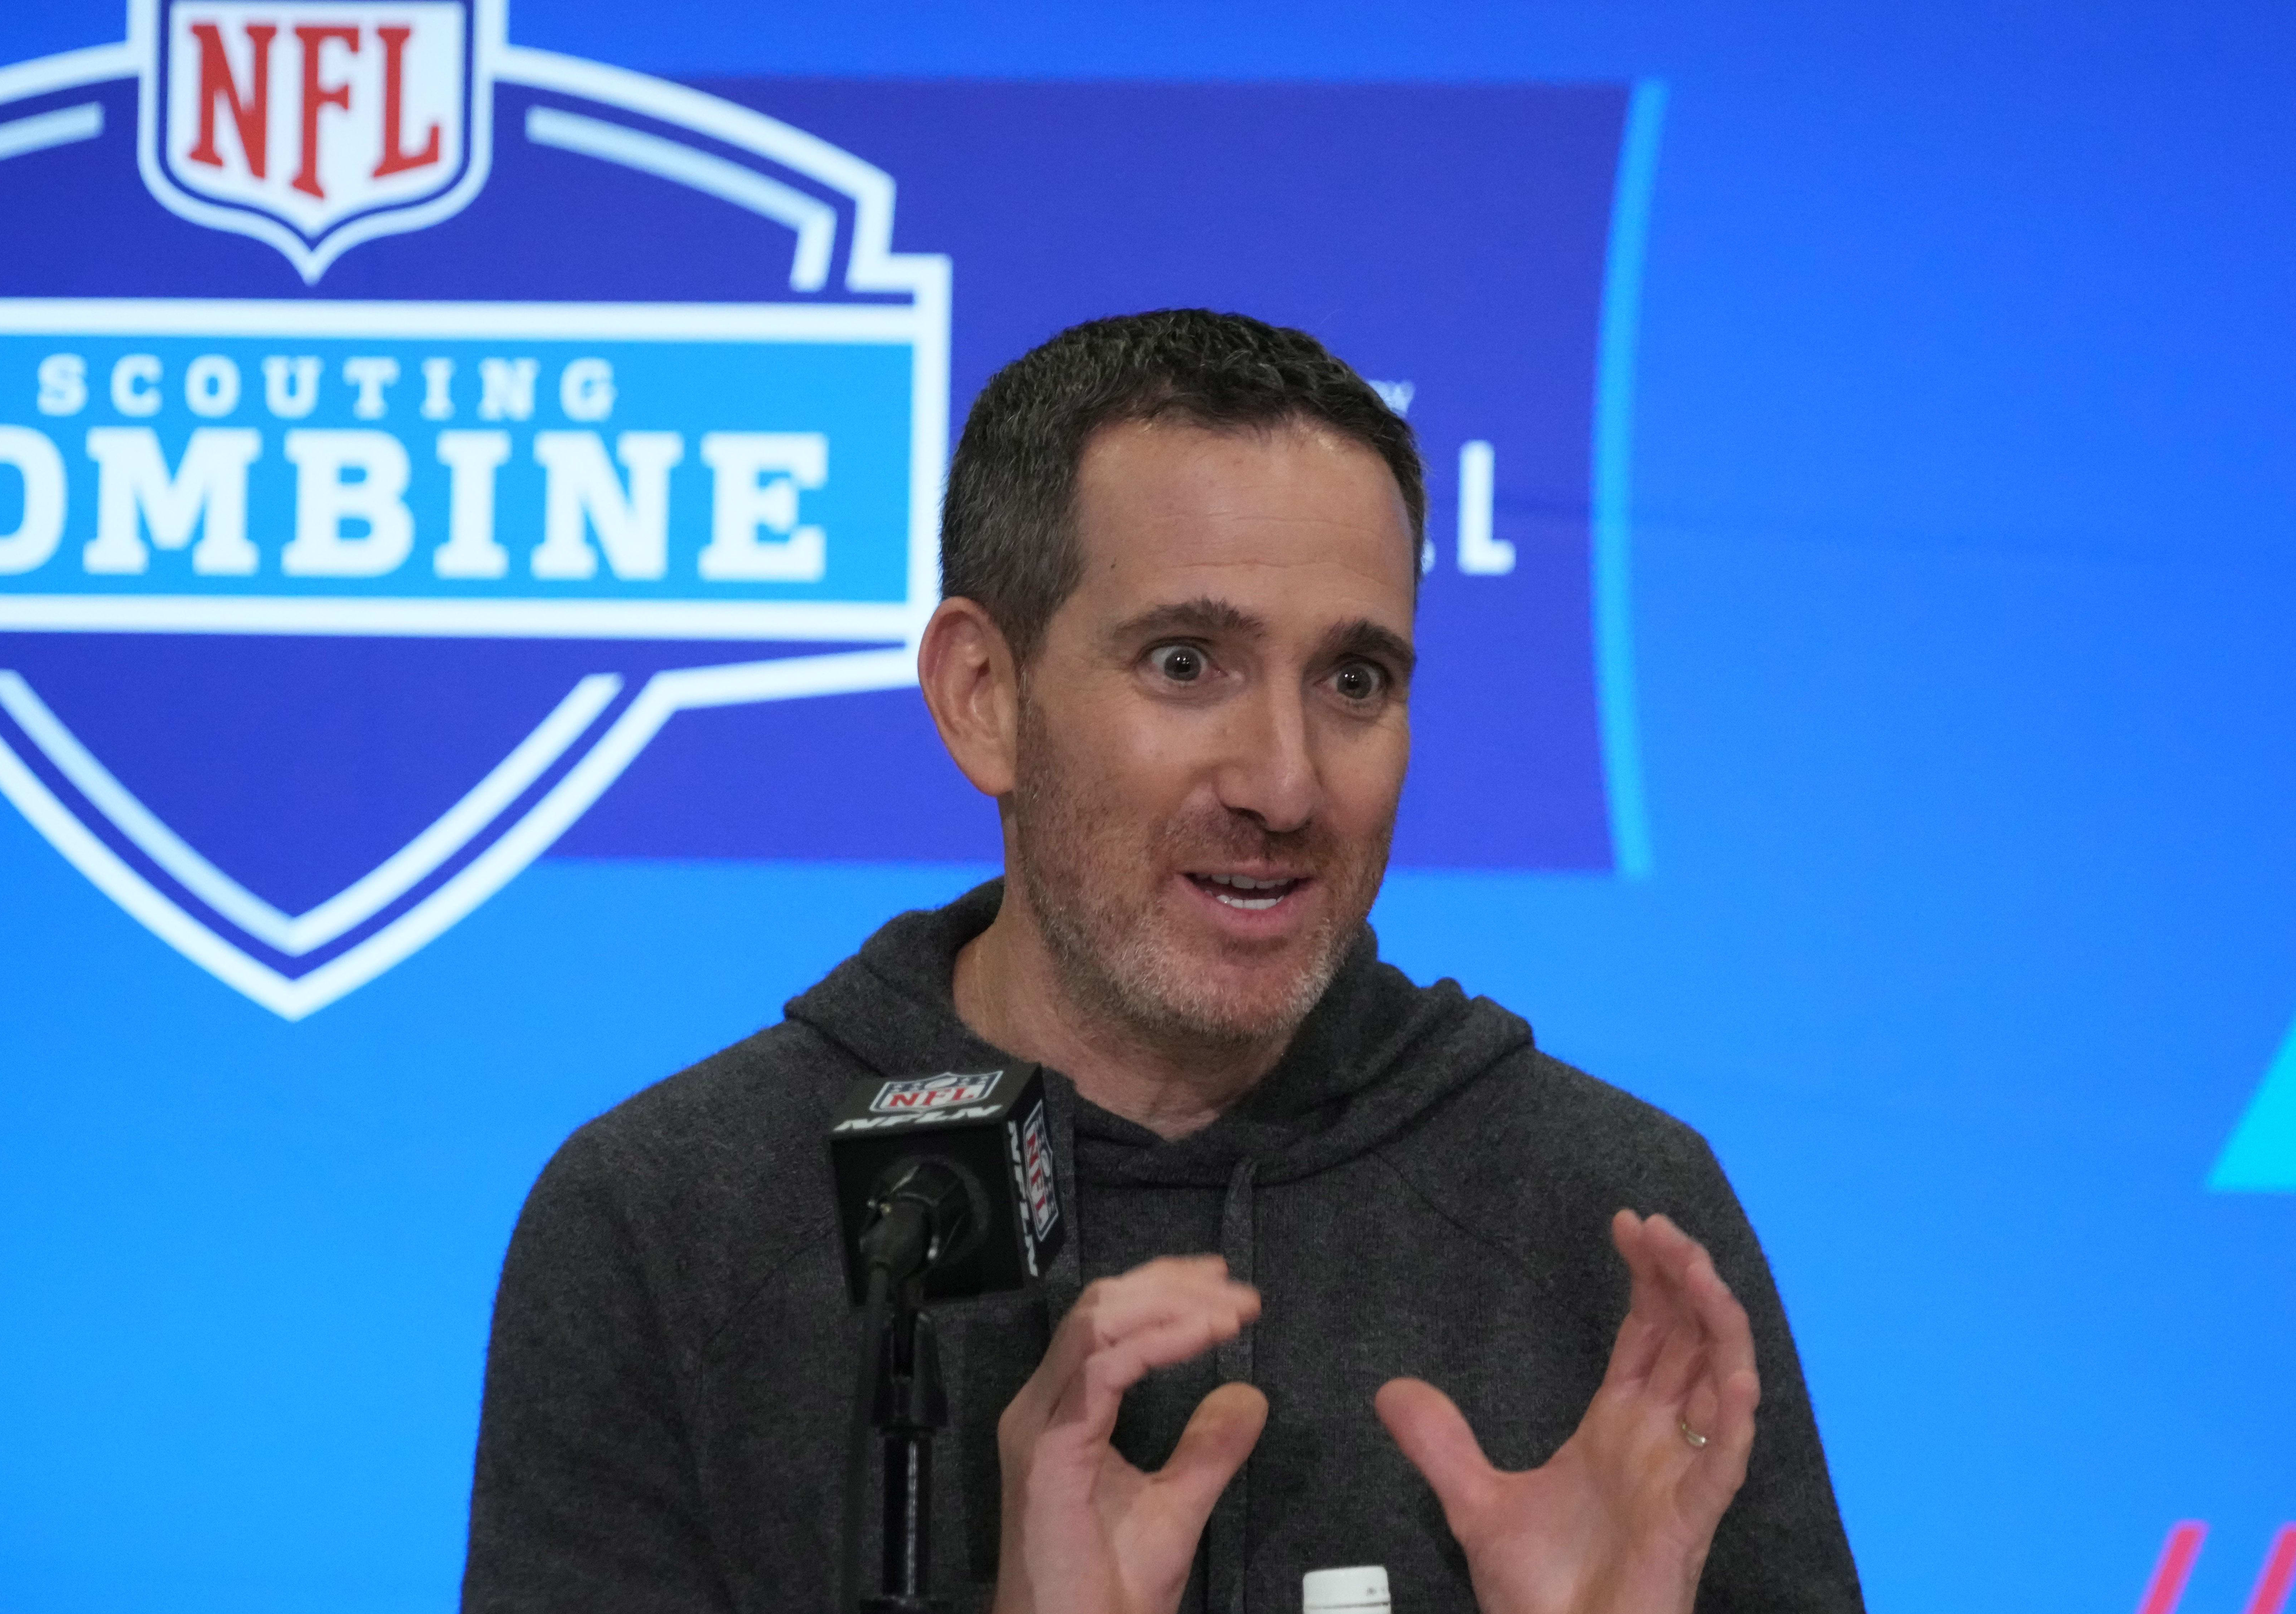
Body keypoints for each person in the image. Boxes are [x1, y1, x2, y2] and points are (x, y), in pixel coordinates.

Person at [462, 310, 1865, 1614]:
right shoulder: (669, 1216)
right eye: (1188, 663)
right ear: (983, 698)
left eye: (1354, 681)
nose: (1284, 783)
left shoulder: (1611, 1223)